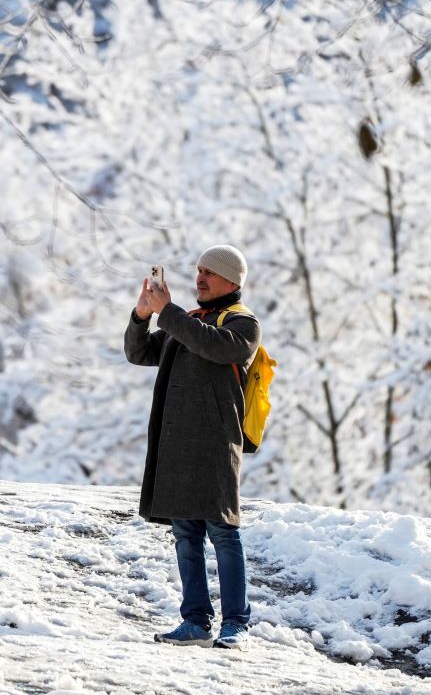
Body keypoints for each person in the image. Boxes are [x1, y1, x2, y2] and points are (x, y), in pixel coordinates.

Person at [124, 244, 260, 651]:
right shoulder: (190, 321)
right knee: (185, 532)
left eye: (209, 272)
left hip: (217, 443)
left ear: (232, 281)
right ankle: (195, 621)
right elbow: (138, 352)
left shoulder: (242, 324)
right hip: (179, 444)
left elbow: (214, 347)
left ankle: (236, 624)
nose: (199, 277)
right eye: (198, 270)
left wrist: (169, 313)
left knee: (222, 531)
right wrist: (142, 316)